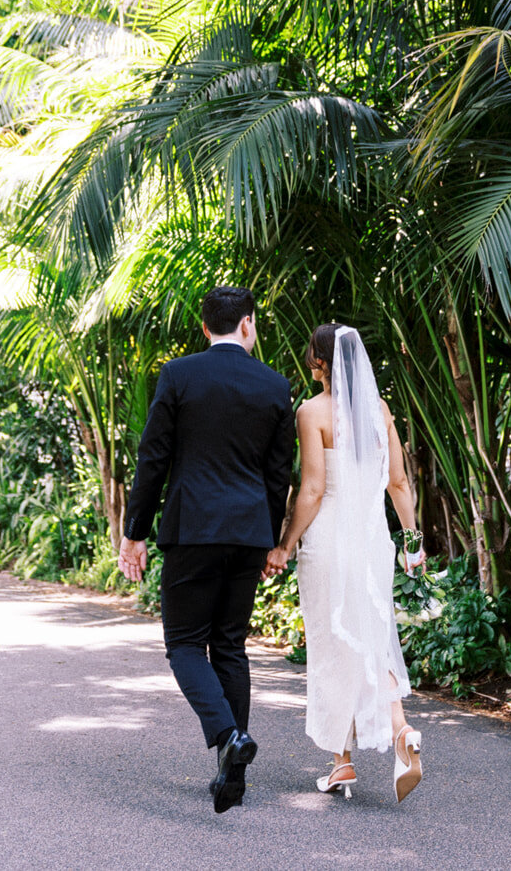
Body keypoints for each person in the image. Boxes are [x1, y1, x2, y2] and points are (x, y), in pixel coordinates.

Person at [117, 286, 296, 814]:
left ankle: (228, 738)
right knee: (231, 645)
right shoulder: (274, 385)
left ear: (205, 329)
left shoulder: (179, 375)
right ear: (247, 325)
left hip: (192, 528)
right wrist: (270, 539)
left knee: (185, 645)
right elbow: (278, 473)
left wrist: (135, 532)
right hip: (247, 533)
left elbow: (154, 459)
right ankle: (231, 768)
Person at [264, 323, 427, 802]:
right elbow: (399, 484)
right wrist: (412, 544)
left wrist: (286, 544)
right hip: (374, 539)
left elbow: (313, 490)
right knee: (375, 635)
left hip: (331, 540)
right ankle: (394, 734)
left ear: (318, 363)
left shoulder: (312, 412)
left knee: (333, 648)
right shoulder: (380, 411)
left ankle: (344, 760)